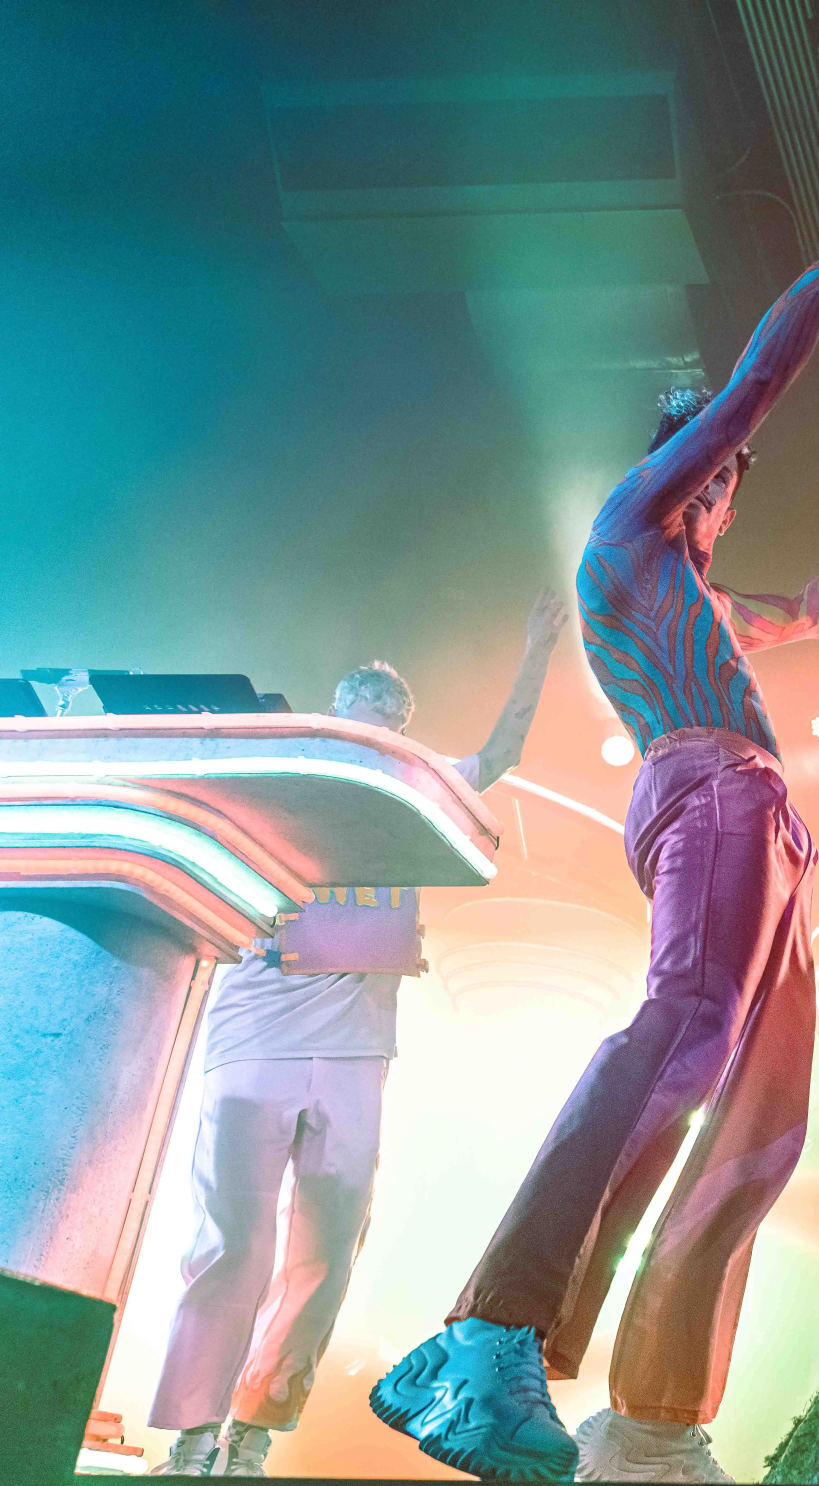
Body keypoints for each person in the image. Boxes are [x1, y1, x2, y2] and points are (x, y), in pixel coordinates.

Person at [371, 179, 819, 1485]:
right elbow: (760, 379)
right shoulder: (628, 543)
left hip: (763, 815)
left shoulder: (700, 590)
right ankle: (488, 1333)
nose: (724, 488)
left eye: (727, 487)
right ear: (677, 471)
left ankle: (654, 1419)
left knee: (759, 1115)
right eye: (710, 470)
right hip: (710, 789)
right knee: (682, 1034)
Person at [147, 593, 568, 1478]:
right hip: (255, 1032)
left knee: (327, 1250)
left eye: (386, 719)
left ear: (402, 730)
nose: (369, 728)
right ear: (332, 712)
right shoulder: (285, 777)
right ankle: (191, 1438)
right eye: (357, 712)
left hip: (354, 1051)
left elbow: (500, 756)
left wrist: (535, 648)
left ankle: (251, 1433)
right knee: (230, 1241)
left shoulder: (417, 793)